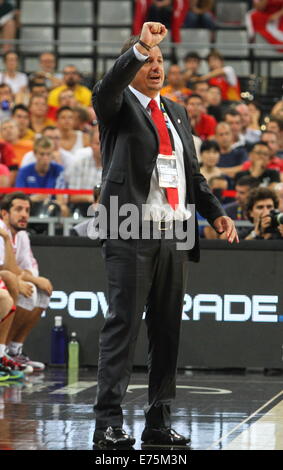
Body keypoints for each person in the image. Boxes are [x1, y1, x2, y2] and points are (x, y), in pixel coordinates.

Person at [91, 21, 238, 448]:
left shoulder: (175, 111)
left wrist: (214, 213)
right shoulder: (116, 106)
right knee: (123, 328)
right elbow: (105, 88)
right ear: (132, 63)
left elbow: (192, 172)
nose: (155, 66)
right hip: (130, 229)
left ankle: (157, 422)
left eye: (159, 60)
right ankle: (108, 424)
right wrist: (141, 44)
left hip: (175, 232)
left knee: (167, 331)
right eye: (147, 60)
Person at [0, 192, 53, 372]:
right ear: (4, 214)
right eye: (18, 209)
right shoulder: (1, 230)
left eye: (28, 210)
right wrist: (21, 279)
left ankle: (14, 350)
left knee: (41, 290)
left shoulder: (22, 235)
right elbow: (6, 270)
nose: (24, 214)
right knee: (15, 283)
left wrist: (29, 278)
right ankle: (2, 351)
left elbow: (29, 269)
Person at [15, 136, 68, 216]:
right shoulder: (24, 171)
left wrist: (49, 202)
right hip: (30, 206)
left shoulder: (58, 170)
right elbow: (19, 198)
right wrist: (35, 198)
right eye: (42, 154)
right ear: (35, 154)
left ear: (52, 154)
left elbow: (61, 199)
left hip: (52, 207)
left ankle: (59, 229)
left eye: (48, 154)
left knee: (64, 209)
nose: (45, 158)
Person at [64, 125, 102, 214]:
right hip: (82, 209)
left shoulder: (115, 166)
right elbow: (72, 196)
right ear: (91, 145)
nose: (102, 147)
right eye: (97, 143)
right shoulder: (79, 163)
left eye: (104, 143)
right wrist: (92, 198)